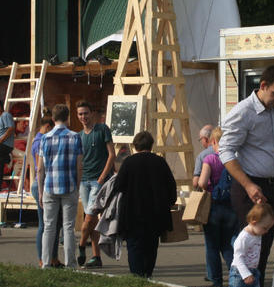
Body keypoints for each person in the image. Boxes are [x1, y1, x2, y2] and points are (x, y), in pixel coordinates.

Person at [219, 64, 274, 287]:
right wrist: (248, 185)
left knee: (261, 257)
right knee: (248, 255)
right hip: (249, 188)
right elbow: (226, 152)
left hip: (272, 186)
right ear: (262, 86)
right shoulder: (243, 111)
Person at [113, 131, 177, 277]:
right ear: (151, 144)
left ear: (135, 146)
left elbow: (119, 186)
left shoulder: (129, 162)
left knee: (134, 247)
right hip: (155, 214)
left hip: (132, 214)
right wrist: (168, 202)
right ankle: (148, 273)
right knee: (151, 247)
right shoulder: (160, 162)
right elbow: (171, 187)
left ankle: (137, 275)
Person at [37, 104, 82, 269]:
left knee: (49, 226)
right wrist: (77, 187)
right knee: (68, 227)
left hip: (50, 186)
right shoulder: (75, 137)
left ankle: (46, 262)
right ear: (68, 118)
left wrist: (41, 192)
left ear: (53, 119)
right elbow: (79, 166)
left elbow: (40, 168)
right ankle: (71, 263)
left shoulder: (45, 138)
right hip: (69, 185)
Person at [221, 203, 274, 287]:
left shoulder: (257, 233)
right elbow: (238, 258)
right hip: (240, 274)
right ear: (254, 222)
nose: (266, 231)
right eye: (265, 227)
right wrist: (245, 274)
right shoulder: (244, 237)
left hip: (253, 273)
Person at [76, 101, 115, 269]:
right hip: (84, 181)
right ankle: (96, 256)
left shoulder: (102, 129)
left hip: (98, 181)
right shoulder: (78, 136)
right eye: (80, 114)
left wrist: (101, 179)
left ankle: (81, 245)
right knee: (90, 220)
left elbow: (111, 155)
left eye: (85, 113)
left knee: (90, 217)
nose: (83, 117)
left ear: (91, 113)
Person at [198, 126, 237, 287]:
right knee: (228, 244)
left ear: (214, 141)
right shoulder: (233, 160)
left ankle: (217, 281)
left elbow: (201, 182)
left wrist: (207, 186)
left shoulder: (210, 159)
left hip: (214, 206)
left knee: (212, 245)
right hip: (231, 206)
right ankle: (236, 276)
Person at [31, 112, 60, 265]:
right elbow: (39, 167)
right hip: (41, 183)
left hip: (44, 182)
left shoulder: (40, 139)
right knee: (44, 224)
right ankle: (43, 258)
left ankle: (53, 258)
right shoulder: (40, 141)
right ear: (48, 126)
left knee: (53, 223)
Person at [0, 100, 15, 194]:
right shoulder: (0, 118)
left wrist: (0, 140)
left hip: (4, 145)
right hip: (2, 144)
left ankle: (7, 157)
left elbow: (11, 128)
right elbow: (2, 133)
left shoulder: (5, 115)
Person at [192, 124, 215, 189]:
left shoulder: (201, 156)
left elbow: (196, 182)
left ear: (205, 139)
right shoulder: (225, 152)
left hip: (211, 194)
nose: (201, 142)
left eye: (200, 139)